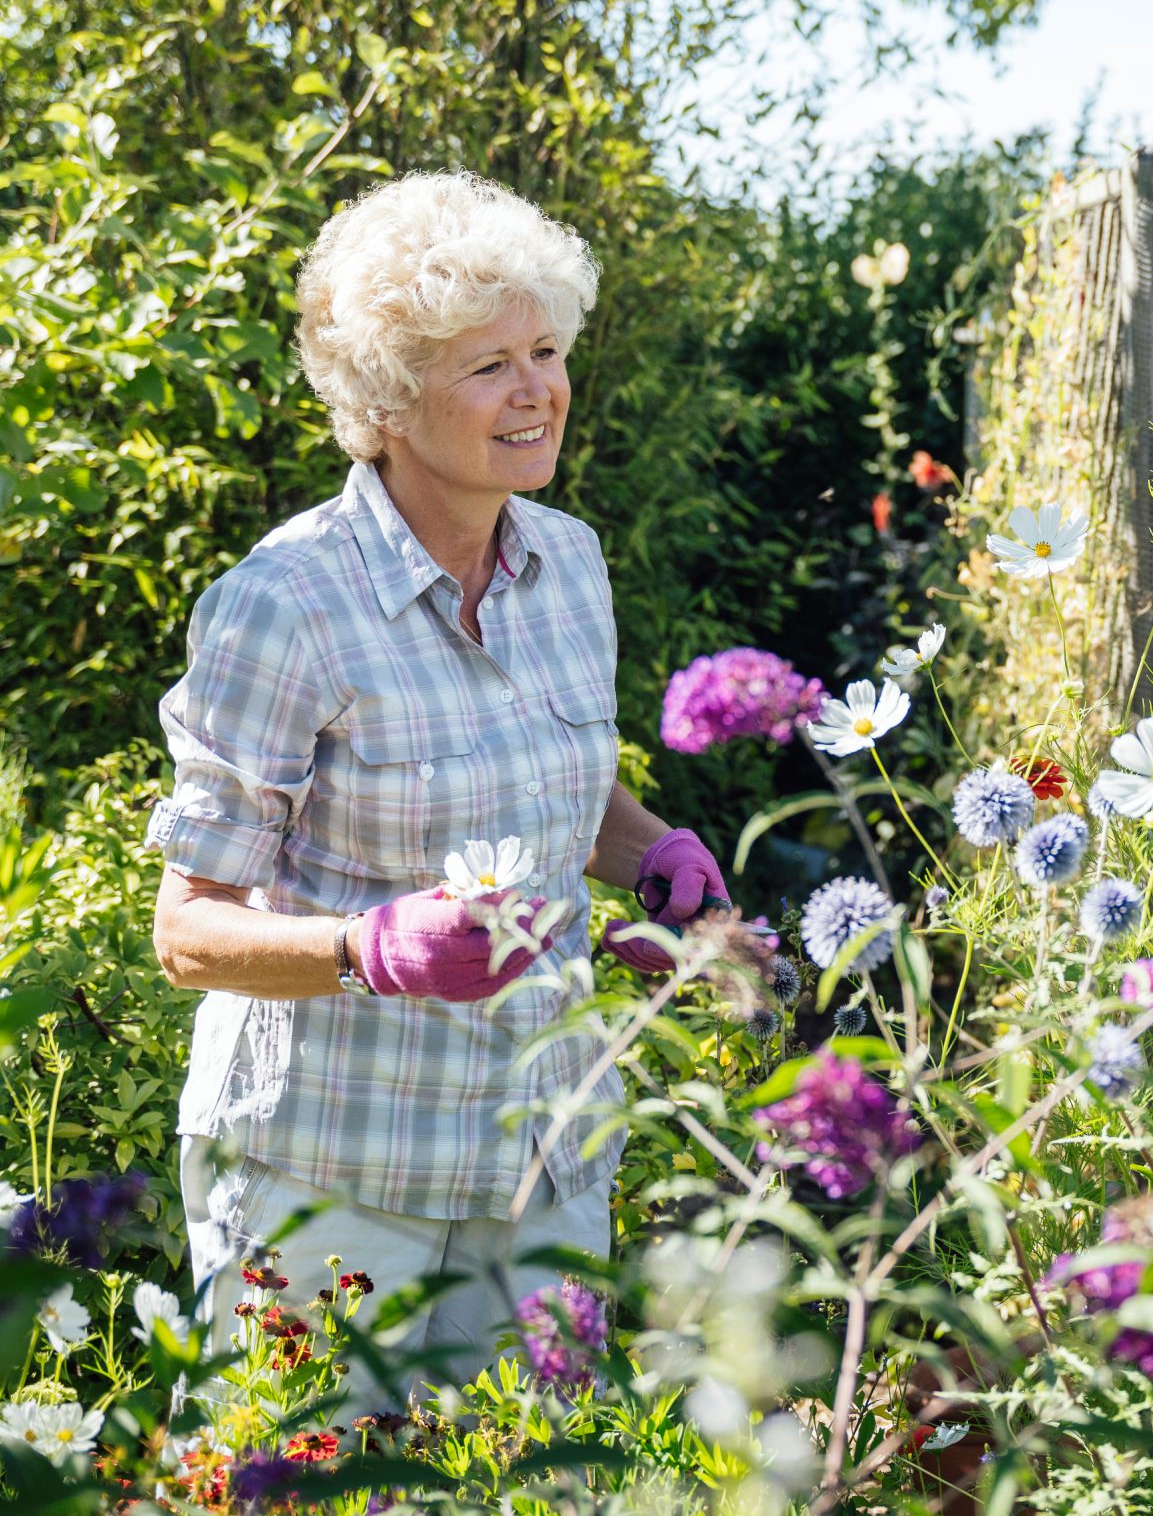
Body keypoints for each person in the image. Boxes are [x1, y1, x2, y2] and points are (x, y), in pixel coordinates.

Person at [149, 169, 734, 1417]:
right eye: (487, 367)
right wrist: (368, 947)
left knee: (548, 1484)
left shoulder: (568, 562)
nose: (537, 391)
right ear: (387, 400)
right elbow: (188, 930)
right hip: (336, 1172)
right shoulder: (286, 600)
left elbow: (558, 784)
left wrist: (649, 850)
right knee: (307, 1490)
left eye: (545, 349)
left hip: (545, 1154)